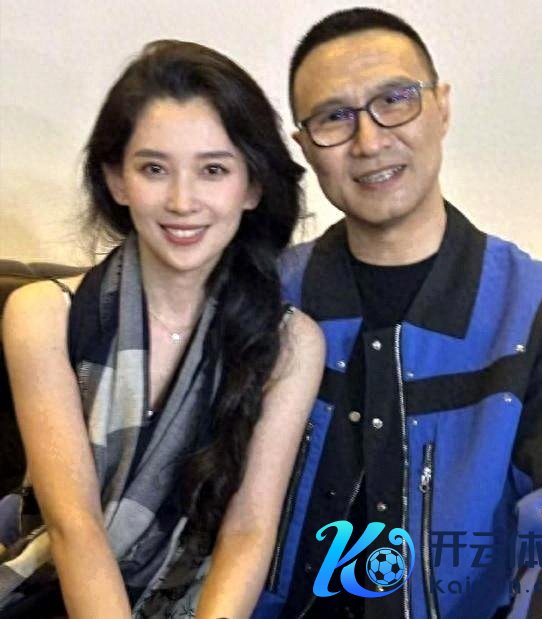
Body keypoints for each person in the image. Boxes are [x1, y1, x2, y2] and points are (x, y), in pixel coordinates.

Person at [250, 8, 542, 619]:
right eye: (334, 117)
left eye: (395, 100)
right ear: (303, 147)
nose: (369, 141)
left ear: (441, 107)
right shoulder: (261, 299)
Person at [0, 40, 325, 618]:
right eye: (154, 169)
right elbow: (75, 526)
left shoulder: (291, 343)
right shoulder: (42, 315)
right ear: (117, 181)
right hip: (51, 592)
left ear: (252, 187)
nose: (181, 201)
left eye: (213, 170)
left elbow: (249, 529)